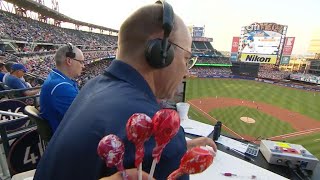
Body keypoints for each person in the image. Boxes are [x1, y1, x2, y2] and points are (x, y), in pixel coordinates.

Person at [34, 2, 216, 180]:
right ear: (161, 53)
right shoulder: (157, 130)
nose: (186, 70)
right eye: (186, 58)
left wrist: (179, 146)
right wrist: (172, 146)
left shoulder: (93, 85)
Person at [39, 44, 85, 132]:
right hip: (67, 139)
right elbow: (84, 118)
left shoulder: (56, 79)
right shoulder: (62, 87)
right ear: (69, 61)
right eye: (81, 62)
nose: (83, 66)